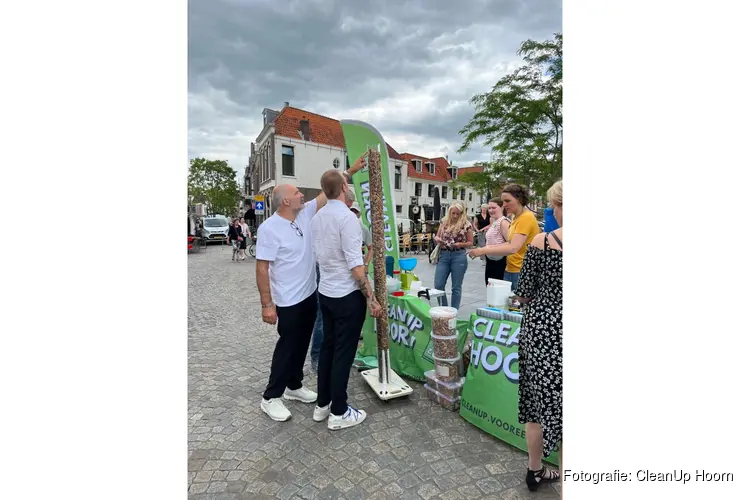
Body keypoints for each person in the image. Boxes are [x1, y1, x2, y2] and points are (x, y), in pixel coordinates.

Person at [311, 169, 383, 430]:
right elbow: (356, 266)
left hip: (326, 291)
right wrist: (372, 298)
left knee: (329, 349)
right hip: (346, 294)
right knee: (343, 353)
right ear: (343, 186)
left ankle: (323, 404)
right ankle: (339, 411)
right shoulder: (347, 219)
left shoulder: (318, 217)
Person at [255, 183, 330, 422]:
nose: (301, 195)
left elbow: (325, 194)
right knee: (287, 347)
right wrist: (267, 304)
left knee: (302, 343)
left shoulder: (304, 213)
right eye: (296, 193)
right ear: (286, 201)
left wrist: (350, 172)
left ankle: (293, 386)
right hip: (288, 300)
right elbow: (262, 267)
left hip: (309, 293)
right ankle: (270, 397)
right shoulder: (269, 228)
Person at [515, 180, 563, 492]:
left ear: (558, 206)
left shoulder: (542, 243)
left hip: (542, 329)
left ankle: (535, 470)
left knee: (535, 403)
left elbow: (523, 293)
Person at [468, 184, 540, 292]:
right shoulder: (516, 217)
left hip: (520, 270)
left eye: (507, 201)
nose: (504, 204)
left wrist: (484, 250)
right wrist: (485, 249)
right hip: (510, 268)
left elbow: (513, 247)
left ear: (519, 199)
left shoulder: (526, 218)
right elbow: (509, 243)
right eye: (503, 201)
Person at [433, 202, 474, 309]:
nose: (455, 216)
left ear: (462, 213)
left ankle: (453, 311)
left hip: (459, 255)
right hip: (444, 254)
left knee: (456, 287)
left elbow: (470, 242)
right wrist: (438, 239)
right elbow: (437, 237)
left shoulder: (466, 224)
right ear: (449, 212)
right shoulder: (444, 222)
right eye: (453, 213)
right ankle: (444, 308)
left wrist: (460, 244)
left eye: (458, 214)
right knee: (438, 284)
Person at [348, 201, 373, 267]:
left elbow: (371, 248)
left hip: (359, 265)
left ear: (359, 214)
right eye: (351, 211)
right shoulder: (342, 226)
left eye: (355, 212)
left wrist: (366, 264)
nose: (353, 214)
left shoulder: (363, 229)